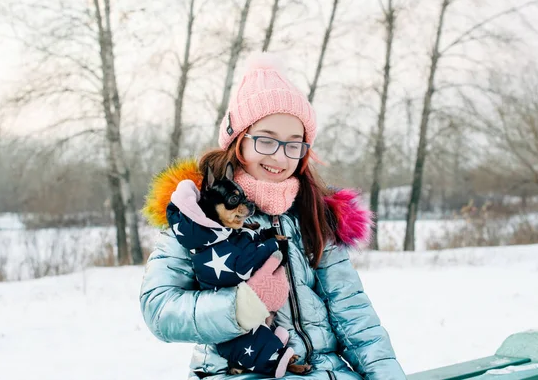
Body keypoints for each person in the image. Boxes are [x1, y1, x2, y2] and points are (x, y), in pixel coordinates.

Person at [140, 52, 406, 380]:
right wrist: (241, 305)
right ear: (237, 140)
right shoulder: (199, 217)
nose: (280, 156)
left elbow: (355, 316)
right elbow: (160, 309)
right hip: (239, 371)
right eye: (266, 140)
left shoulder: (314, 216)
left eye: (294, 144)